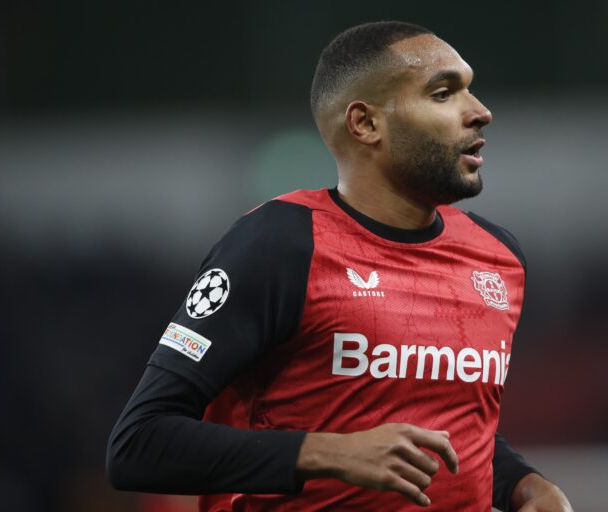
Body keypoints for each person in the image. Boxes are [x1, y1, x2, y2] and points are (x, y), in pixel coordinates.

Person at [107, 21, 573, 512]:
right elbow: (138, 445)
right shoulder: (280, 245)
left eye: (471, 91)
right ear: (365, 124)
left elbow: (456, 432)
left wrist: (524, 485)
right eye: (443, 93)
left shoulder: (498, 258)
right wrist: (326, 450)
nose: (480, 112)